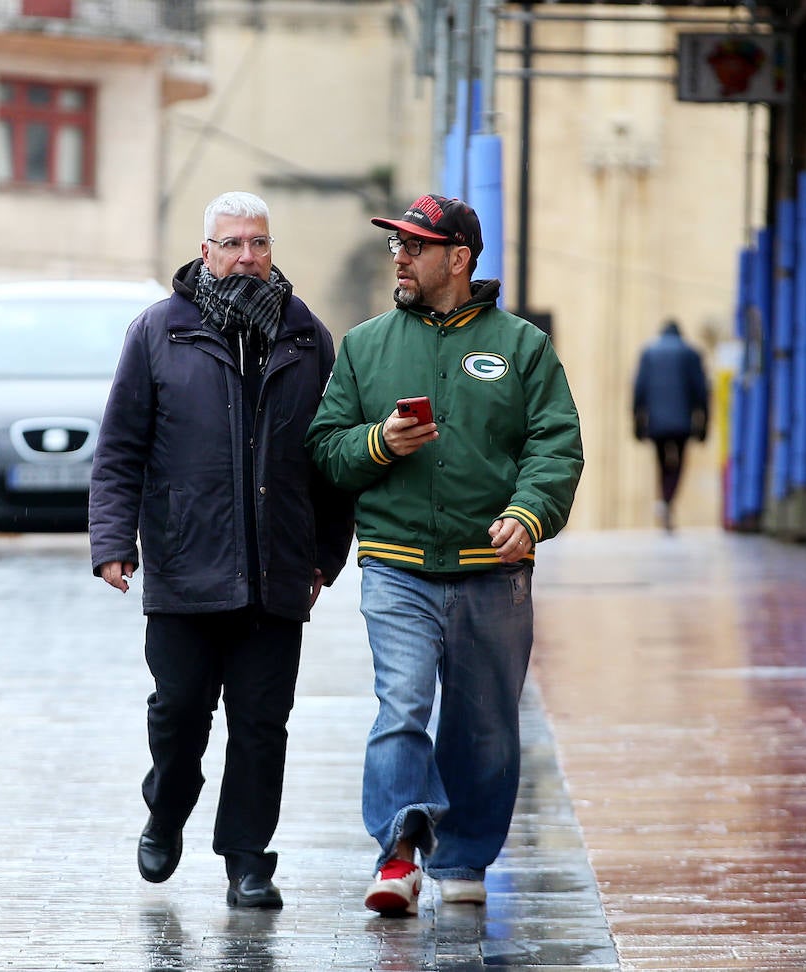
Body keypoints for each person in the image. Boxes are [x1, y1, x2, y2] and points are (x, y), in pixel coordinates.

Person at [306, 194, 583, 916]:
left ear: (458, 258)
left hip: (495, 574)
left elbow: (555, 445)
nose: (398, 256)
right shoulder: (364, 345)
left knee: (484, 722)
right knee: (401, 705)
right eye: (397, 245)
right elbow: (326, 451)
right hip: (395, 563)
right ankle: (398, 854)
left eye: (414, 246)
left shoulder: (522, 347)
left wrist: (529, 514)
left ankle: (463, 856)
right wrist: (377, 444)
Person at [88, 190, 353, 909]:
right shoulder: (157, 332)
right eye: (233, 243)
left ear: (272, 251)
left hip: (277, 570)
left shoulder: (306, 336)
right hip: (184, 564)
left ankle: (247, 860)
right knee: (178, 715)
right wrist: (114, 540)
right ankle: (166, 808)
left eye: (259, 243)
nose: (247, 256)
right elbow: (119, 450)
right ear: (206, 251)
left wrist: (326, 553)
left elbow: (331, 458)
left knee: (263, 725)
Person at [631, 319, 709, 533]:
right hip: (683, 422)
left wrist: (636, 421)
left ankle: (664, 500)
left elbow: (639, 389)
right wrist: (704, 424)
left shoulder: (649, 353)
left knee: (661, 462)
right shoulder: (691, 353)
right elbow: (702, 391)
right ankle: (667, 500)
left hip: (656, 422)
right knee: (679, 463)